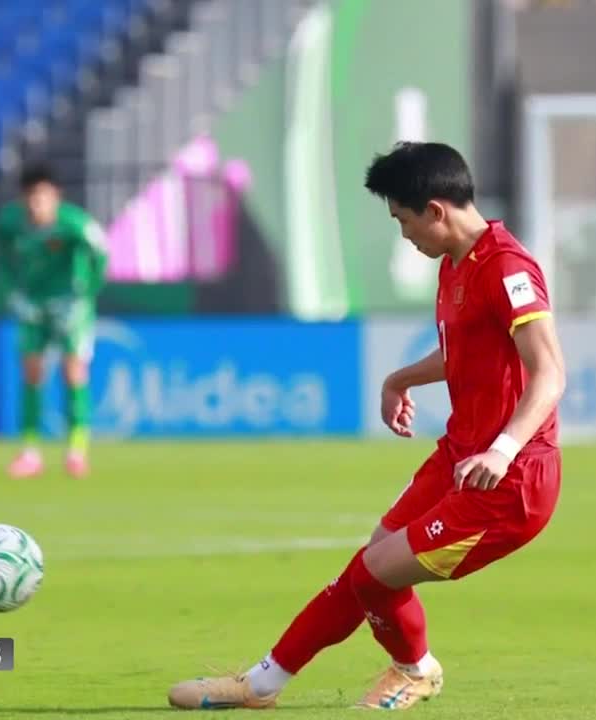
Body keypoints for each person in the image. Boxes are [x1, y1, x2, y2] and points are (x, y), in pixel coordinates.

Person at [167, 141, 567, 711]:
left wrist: (502, 450)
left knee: (375, 573)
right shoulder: (456, 263)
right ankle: (261, 683)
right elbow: (465, 353)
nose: (404, 235)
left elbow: (549, 374)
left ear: (435, 210)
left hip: (509, 482)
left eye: (403, 220)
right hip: (461, 456)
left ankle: (412, 669)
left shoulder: (508, 268)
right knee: (372, 559)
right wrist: (400, 379)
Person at [0, 164, 109, 479]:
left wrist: (87, 290)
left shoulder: (74, 223)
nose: (35, 203)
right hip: (33, 305)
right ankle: (30, 452)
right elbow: (2, 256)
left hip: (70, 306)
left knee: (73, 372)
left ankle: (76, 450)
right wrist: (13, 291)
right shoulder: (10, 222)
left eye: (42, 196)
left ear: (55, 196)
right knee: (32, 371)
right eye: (30, 196)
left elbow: (101, 251)